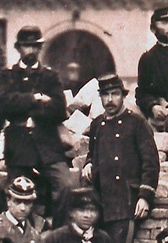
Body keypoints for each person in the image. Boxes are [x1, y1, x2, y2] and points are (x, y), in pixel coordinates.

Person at [0, 25, 72, 216]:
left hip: (48, 145)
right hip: (19, 146)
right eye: (27, 46)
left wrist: (23, 105)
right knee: (18, 196)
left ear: (40, 48)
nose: (31, 50)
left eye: (35, 46)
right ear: (18, 48)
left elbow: (58, 108)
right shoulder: (7, 76)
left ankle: (57, 232)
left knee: (65, 186)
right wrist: (35, 98)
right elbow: (4, 104)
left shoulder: (50, 76)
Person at [82, 73, 159, 243]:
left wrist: (145, 197)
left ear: (123, 96)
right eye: (105, 94)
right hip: (100, 204)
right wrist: (88, 163)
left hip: (125, 203)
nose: (110, 99)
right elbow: (93, 151)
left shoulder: (137, 123)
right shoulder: (96, 125)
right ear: (100, 97)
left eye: (115, 94)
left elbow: (151, 162)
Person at [42, 187, 112, 243]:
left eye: (92, 210)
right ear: (71, 212)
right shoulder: (56, 238)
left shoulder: (103, 238)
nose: (87, 215)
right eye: (81, 210)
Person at [0, 176, 41, 242]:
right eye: (17, 202)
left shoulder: (35, 234)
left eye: (27, 203)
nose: (23, 208)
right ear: (8, 201)